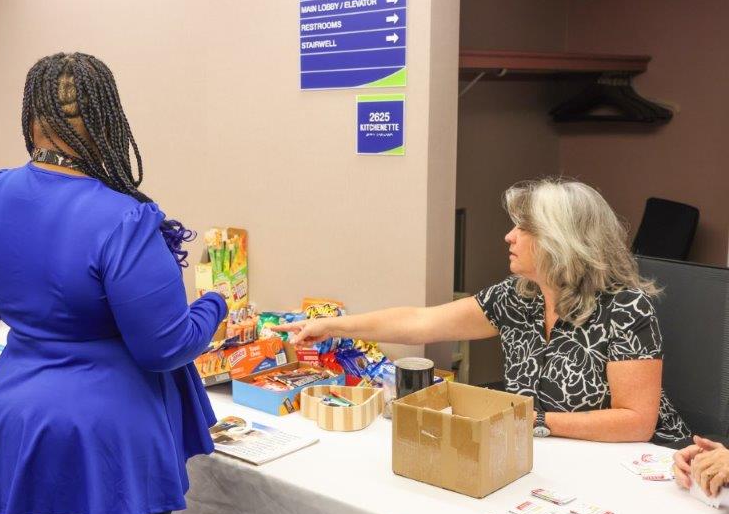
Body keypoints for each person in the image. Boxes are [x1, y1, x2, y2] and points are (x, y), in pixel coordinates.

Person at [0, 52, 226, 514]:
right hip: (101, 435)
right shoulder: (124, 217)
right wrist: (214, 305)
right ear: (109, 122)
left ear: (31, 117)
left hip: (21, 413)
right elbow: (165, 346)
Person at [277, 178, 690, 444]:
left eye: (524, 229)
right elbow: (423, 322)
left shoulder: (625, 308)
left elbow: (636, 421)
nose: (509, 237)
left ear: (562, 241)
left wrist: (533, 421)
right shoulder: (519, 296)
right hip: (548, 457)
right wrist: (332, 326)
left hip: (639, 467)